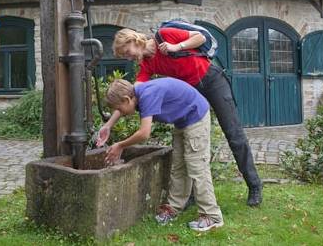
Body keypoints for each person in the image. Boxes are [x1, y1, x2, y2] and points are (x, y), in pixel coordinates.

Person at [98, 27, 263, 206]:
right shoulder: (147, 65)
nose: (128, 58)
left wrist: (176, 47)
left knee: (234, 134)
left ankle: (254, 185)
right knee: (190, 140)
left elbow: (200, 37)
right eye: (124, 56)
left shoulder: (164, 35)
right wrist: (109, 125)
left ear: (134, 41)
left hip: (212, 80)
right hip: (191, 93)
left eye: (127, 52)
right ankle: (191, 195)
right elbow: (130, 94)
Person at [105, 78, 224, 231]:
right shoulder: (135, 91)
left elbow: (144, 133)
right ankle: (174, 208)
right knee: (179, 167)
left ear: (127, 99)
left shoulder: (147, 95)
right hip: (182, 121)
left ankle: (212, 216)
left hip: (196, 116)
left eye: (120, 110)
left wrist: (120, 145)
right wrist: (108, 126)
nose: (121, 113)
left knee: (197, 166)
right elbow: (122, 107)